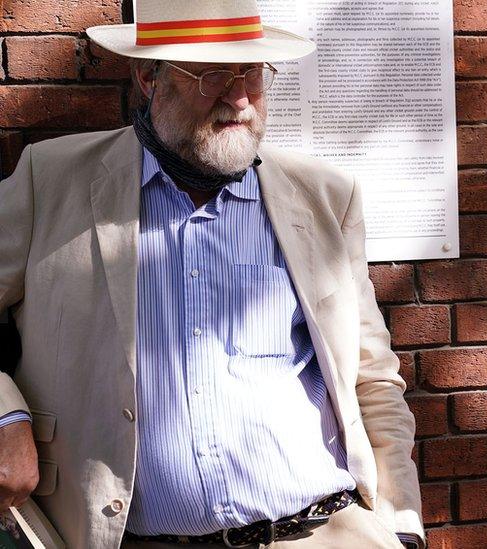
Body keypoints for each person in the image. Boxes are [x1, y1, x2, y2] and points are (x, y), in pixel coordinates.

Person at [0, 1, 424, 547]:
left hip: (325, 531)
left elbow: (373, 377)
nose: (241, 97)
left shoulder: (324, 196)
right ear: (149, 76)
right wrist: (5, 418)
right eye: (213, 74)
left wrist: (401, 519)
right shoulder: (50, 180)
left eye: (252, 71)